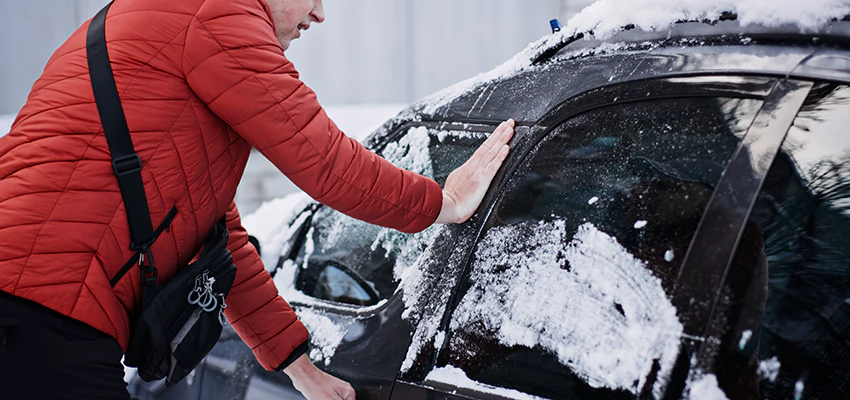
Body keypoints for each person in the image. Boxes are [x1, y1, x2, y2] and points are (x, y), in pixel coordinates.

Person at [0, 0, 515, 399]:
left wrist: (301, 370)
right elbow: (326, 162)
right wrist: (444, 202)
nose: (319, 14)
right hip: (42, 311)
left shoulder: (176, 24)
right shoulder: (219, 13)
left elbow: (216, 243)